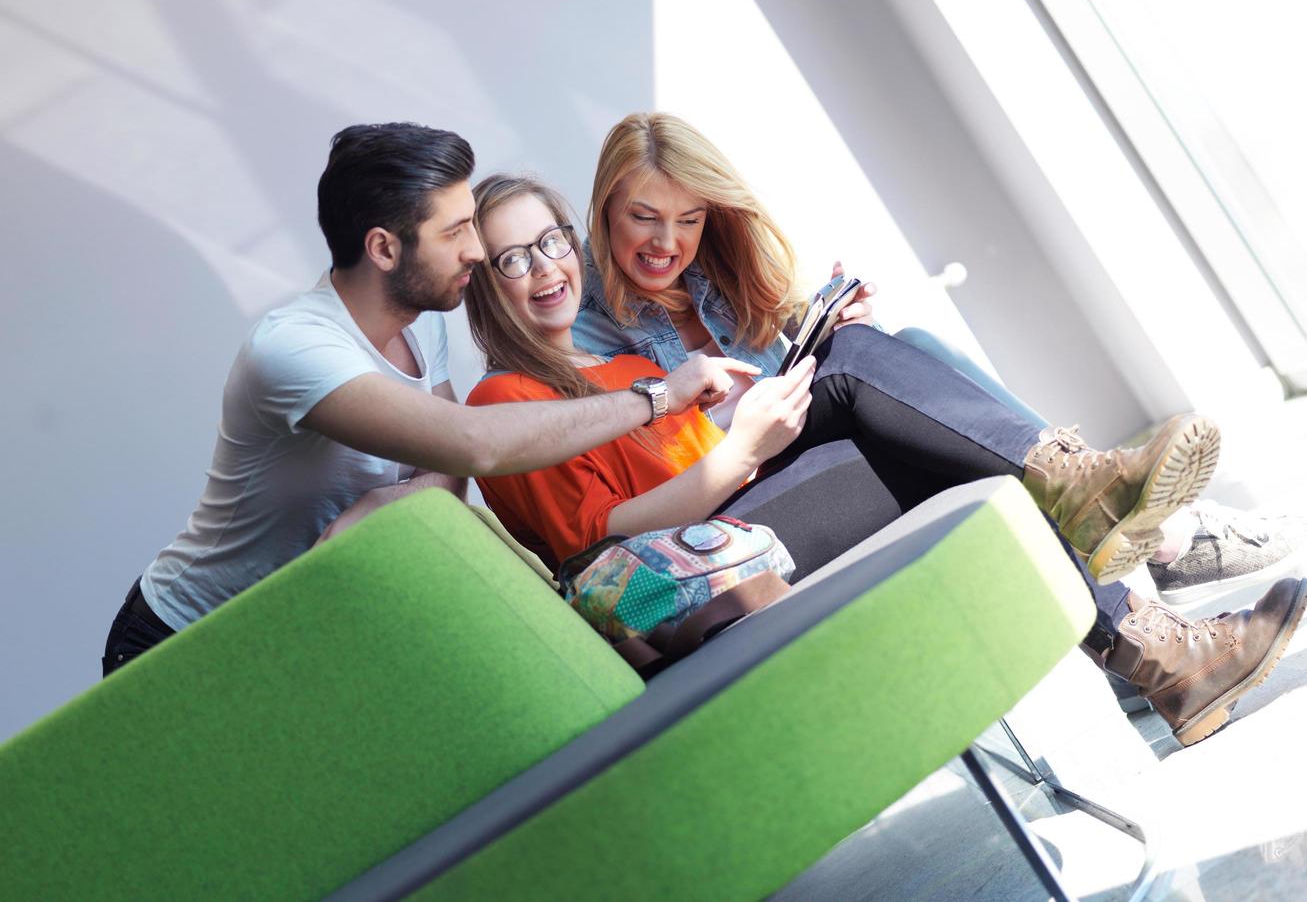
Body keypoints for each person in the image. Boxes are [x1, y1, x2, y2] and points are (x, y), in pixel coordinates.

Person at [464, 170, 1306, 748]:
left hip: (733, 539)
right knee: (891, 398)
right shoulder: (501, 404)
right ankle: (1118, 561)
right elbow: (601, 548)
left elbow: (732, 481)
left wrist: (773, 403)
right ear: (483, 284)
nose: (543, 269)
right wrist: (744, 449)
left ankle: (1159, 642)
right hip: (679, 593)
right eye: (510, 258)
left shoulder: (633, 374)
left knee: (885, 375)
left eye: (550, 242)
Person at [574, 112, 1305, 607]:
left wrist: (835, 329)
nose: (666, 241)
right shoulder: (582, 331)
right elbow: (652, 477)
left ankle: (1117, 557)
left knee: (907, 355)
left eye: (689, 219)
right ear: (606, 208)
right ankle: (1151, 533)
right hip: (733, 502)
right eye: (643, 216)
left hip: (803, 447)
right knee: (918, 404)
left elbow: (802, 371)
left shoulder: (717, 278)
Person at [101, 123, 751, 677]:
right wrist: (659, 395)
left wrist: (397, 498)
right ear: (384, 248)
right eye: (457, 232)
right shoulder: (295, 349)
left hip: (314, 607)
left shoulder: (422, 321)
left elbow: (447, 467)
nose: (476, 251)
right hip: (184, 635)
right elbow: (474, 443)